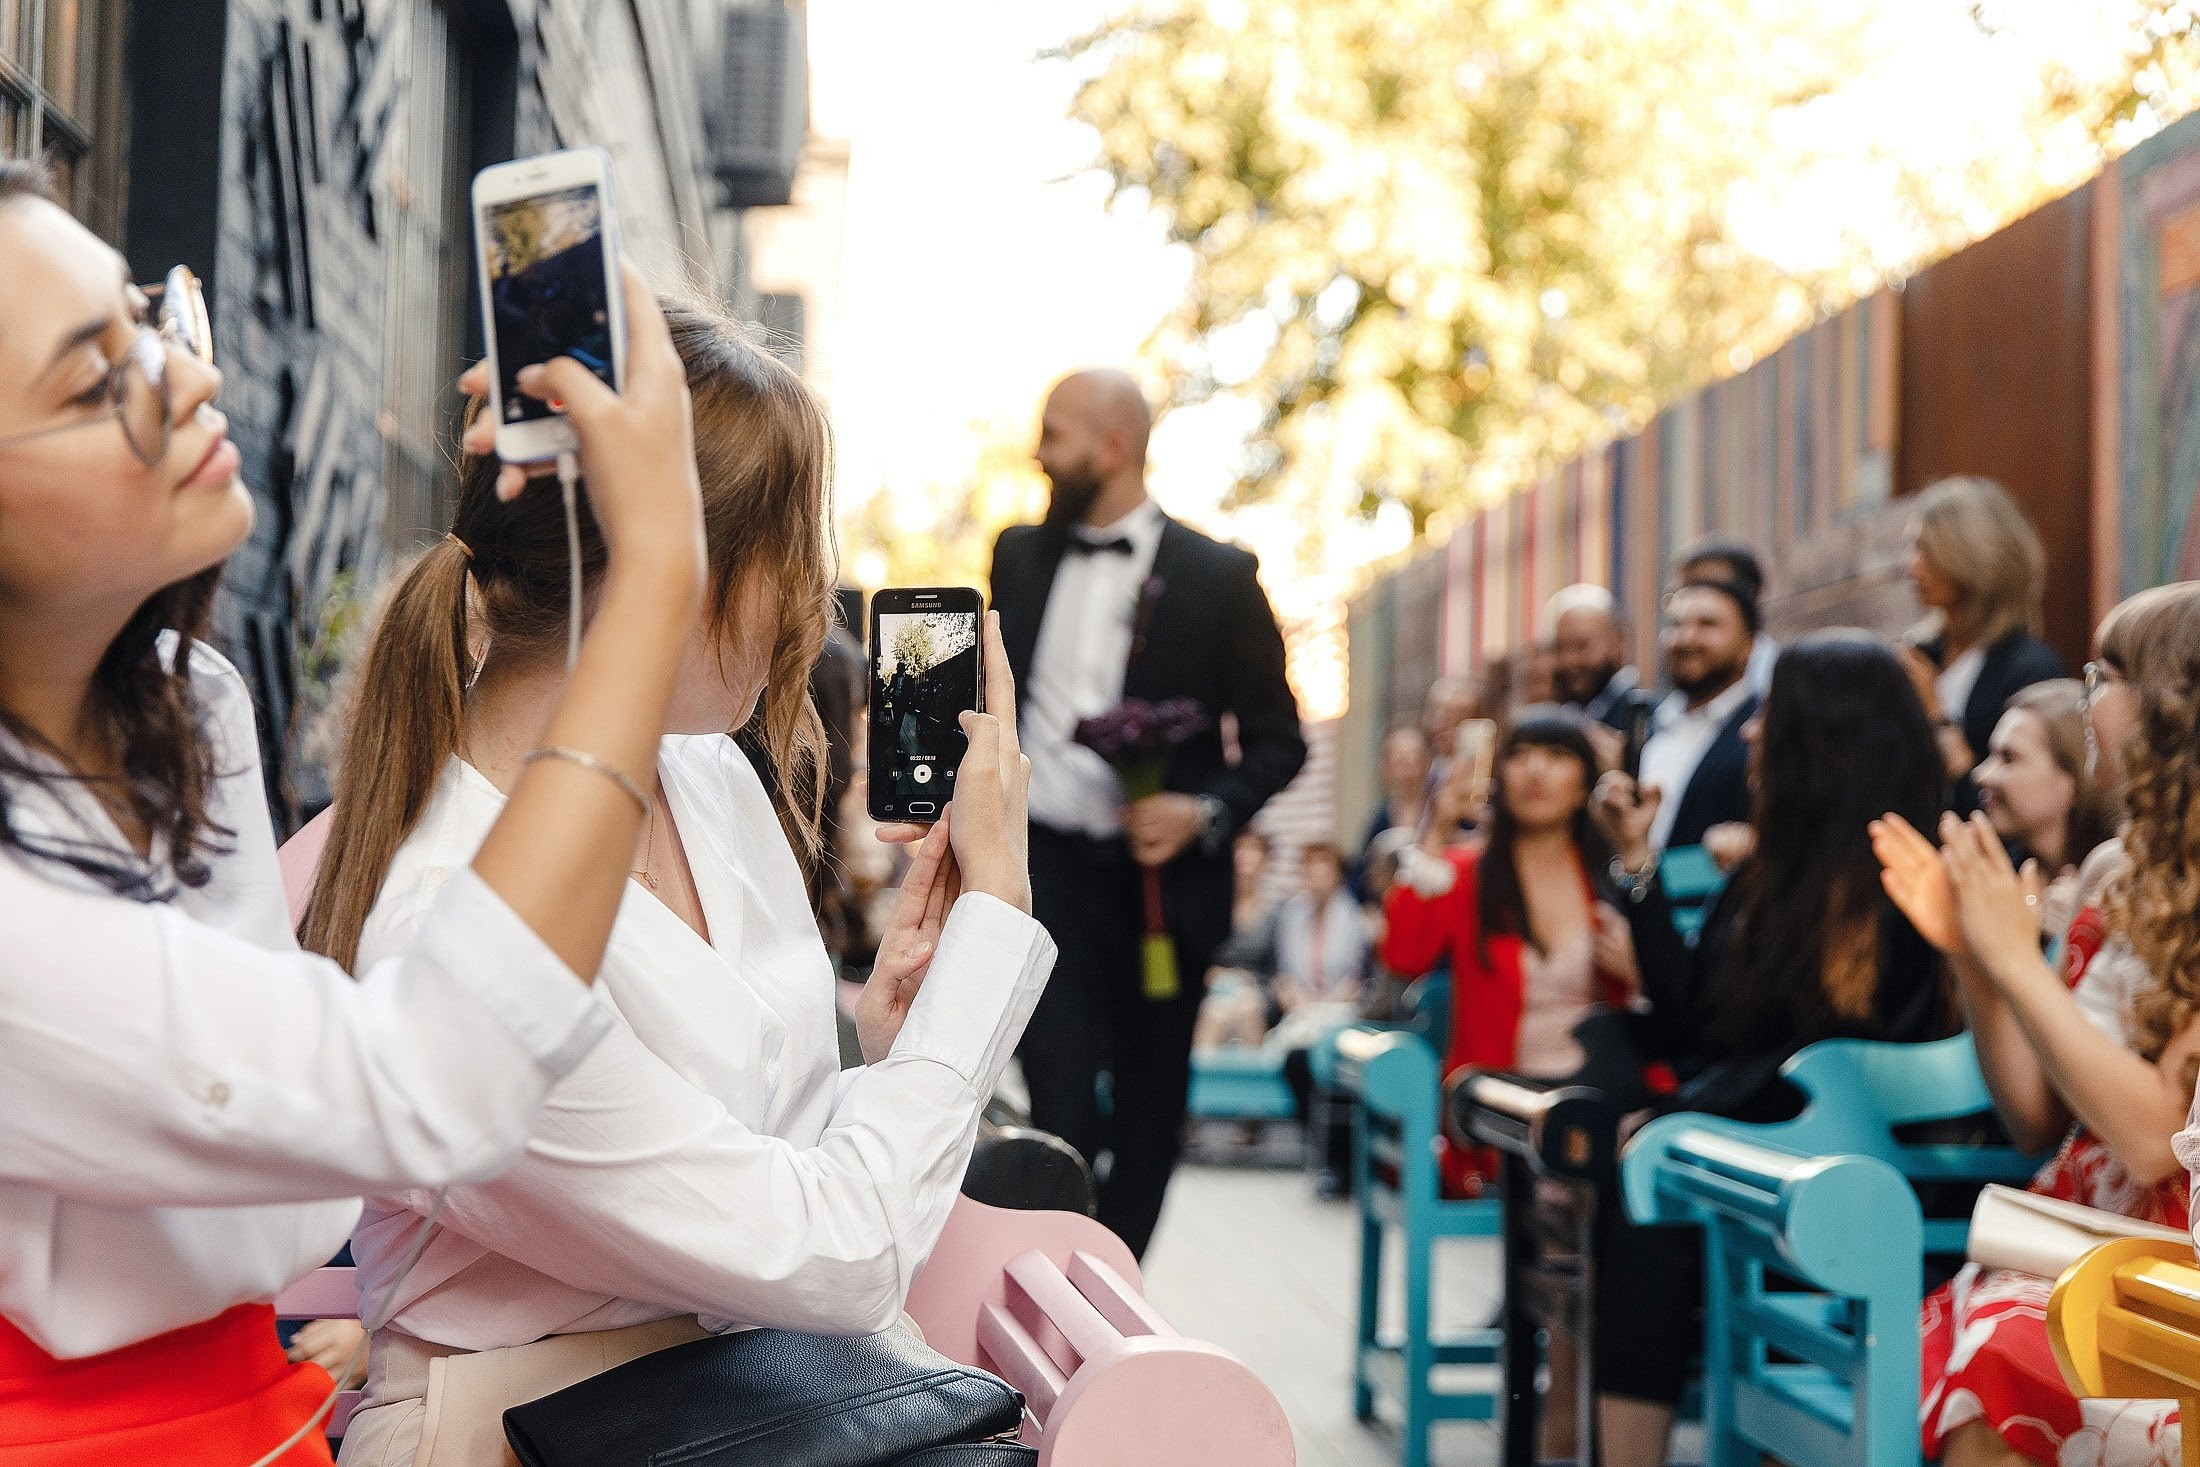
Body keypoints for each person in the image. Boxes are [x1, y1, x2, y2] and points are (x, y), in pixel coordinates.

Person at [0, 160, 706, 1463]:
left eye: (151, 320)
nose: (189, 377)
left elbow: (317, 1134)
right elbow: (430, 1079)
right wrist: (654, 566)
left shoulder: (184, 704)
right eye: (98, 383)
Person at [299, 306, 1052, 1466]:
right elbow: (837, 1255)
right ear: (676, 568)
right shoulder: (449, 913)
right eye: (787, 554)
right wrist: (993, 922)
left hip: (751, 1406)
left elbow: (771, 1189)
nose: (809, 602)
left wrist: (892, 1049)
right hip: (525, 1435)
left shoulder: (703, 774)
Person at [1592, 631, 1951, 1467]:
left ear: (1823, 736)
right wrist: (1638, 864)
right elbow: (1695, 1019)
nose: (1751, 733)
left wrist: (1680, 1114)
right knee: (1637, 1166)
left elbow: (1829, 1058)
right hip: (1769, 1143)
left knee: (1649, 1198)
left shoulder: (1895, 875)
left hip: (1860, 1167)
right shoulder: (1774, 869)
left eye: (1769, 716)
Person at [1874, 583, 2200, 1467]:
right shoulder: (2111, 872)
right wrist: (1973, 952)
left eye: (2108, 674)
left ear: (2174, 704)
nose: (2087, 694)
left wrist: (2016, 959)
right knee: (1913, 1354)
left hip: (2169, 1246)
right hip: (2068, 1220)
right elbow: (2033, 1117)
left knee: (2001, 1355)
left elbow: (2153, 1142)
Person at [992, 367, 1306, 1257]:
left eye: (1055, 435)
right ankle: (1049, 1280)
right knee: (1056, 1097)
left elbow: (1281, 742)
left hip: (1164, 892)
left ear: (1113, 445)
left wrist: (1202, 809)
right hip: (1044, 875)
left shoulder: (1220, 576)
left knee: (1149, 1111)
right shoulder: (1016, 554)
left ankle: (1112, 1285)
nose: (1038, 454)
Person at [1383, 709, 1637, 1192]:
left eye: (1557, 756)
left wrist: (1633, 972)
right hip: (1499, 1101)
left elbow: (1656, 1003)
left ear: (1585, 784)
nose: (1535, 770)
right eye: (1520, 756)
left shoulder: (1613, 875)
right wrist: (1436, 829)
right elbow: (1403, 956)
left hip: (1600, 1085)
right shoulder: (1467, 873)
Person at [1896, 476, 2064, 811]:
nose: (1911, 564)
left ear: (1970, 558)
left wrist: (1936, 717)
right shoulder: (1918, 652)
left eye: (1927, 549)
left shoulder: (2030, 668)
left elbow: (2018, 808)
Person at [1970, 679, 2116, 948]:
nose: (1981, 775)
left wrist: (2081, 938)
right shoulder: (1998, 876)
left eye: (2008, 758)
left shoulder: (2117, 890)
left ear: (2073, 779)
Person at [1635, 578, 1760, 854]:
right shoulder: (1648, 723)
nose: (1687, 638)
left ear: (1749, 644)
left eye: (1707, 624)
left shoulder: (1762, 730)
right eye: (1676, 625)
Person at [1192, 828, 1281, 1052]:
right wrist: (1211, 974)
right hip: (1214, 989)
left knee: (1248, 1009)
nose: (1246, 857)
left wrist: (1249, 981)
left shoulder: (1276, 913)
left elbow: (1278, 969)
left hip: (1257, 990)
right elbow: (1197, 956)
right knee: (1214, 1014)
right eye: (1240, 849)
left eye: (1254, 850)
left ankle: (1255, 1074)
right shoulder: (1210, 908)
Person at [1674, 537, 1777, 695]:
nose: (1696, 597)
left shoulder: (1776, 687)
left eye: (1714, 585)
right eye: (1688, 587)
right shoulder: (1674, 702)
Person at [1546, 584, 1645, 731]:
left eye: (1582, 646)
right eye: (1560, 648)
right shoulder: (1563, 716)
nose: (1569, 660)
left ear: (1619, 641)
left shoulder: (1643, 717)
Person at [1350, 725, 1432, 901]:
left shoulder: (1438, 810)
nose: (1407, 768)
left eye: (1414, 758)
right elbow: (1359, 877)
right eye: (1400, 760)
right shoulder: (1380, 818)